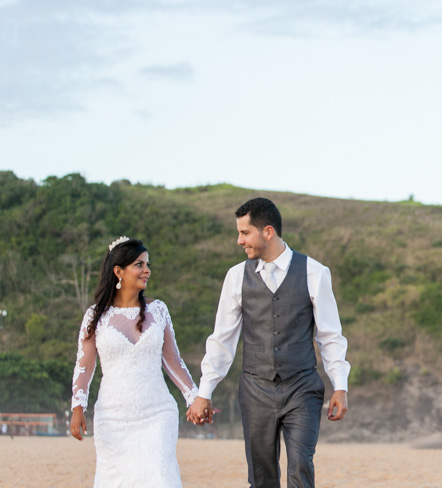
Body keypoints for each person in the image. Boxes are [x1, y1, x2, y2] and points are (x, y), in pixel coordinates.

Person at [186, 197, 350, 488]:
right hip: (255, 391)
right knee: (262, 479)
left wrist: (340, 385)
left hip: (302, 388)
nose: (239, 241)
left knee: (300, 468)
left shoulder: (315, 272)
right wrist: (205, 390)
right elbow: (222, 339)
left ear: (268, 232)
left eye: (245, 232)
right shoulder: (236, 277)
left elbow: (330, 335)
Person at [70, 237, 199, 488]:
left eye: (147, 264)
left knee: (160, 477)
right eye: (139, 264)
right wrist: (78, 407)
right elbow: (84, 367)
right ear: (119, 271)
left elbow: (172, 359)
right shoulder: (95, 317)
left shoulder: (159, 310)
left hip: (157, 413)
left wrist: (193, 397)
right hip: (112, 417)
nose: (147, 270)